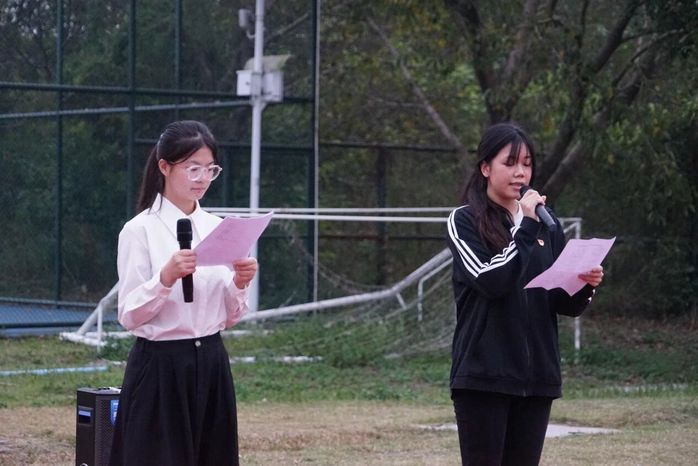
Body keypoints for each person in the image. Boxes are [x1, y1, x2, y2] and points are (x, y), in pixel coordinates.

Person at [445, 122, 604, 466]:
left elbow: (560, 301)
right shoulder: (464, 221)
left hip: (537, 379)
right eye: (510, 163)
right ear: (486, 168)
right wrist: (526, 228)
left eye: (527, 164)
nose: (521, 172)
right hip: (484, 378)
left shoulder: (547, 225)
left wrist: (585, 284)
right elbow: (491, 280)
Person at [109, 120, 258, 466]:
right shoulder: (139, 230)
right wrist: (164, 278)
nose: (202, 178)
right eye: (192, 168)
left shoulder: (219, 228)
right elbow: (129, 315)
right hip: (161, 366)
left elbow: (230, 317)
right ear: (164, 166)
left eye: (210, 169)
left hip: (211, 361)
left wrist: (240, 283)